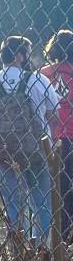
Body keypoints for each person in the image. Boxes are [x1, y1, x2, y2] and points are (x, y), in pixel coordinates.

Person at [0, 35, 60, 243]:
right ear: (20, 56)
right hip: (38, 152)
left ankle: (17, 256)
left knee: (13, 206)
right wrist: (53, 144)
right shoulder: (38, 80)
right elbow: (54, 116)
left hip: (5, 154)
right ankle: (41, 254)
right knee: (42, 204)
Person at [41, 30, 73, 241]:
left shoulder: (42, 74)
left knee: (50, 193)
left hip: (48, 140)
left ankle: (52, 245)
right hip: (71, 138)